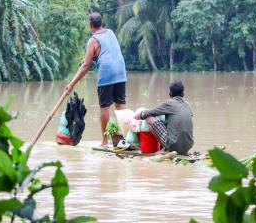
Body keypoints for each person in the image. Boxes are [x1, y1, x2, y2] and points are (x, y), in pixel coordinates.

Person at [65, 12, 127, 147]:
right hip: (121, 71)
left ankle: (104, 142)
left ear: (90, 25)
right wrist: (91, 57)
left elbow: (86, 66)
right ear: (101, 23)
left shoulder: (92, 40)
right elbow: (106, 52)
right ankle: (125, 139)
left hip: (107, 73)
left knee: (105, 108)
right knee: (120, 105)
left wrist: (71, 84)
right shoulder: (110, 32)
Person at [134, 82, 194, 155]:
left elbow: (150, 112)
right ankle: (178, 149)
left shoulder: (170, 103)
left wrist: (138, 115)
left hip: (173, 145)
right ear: (183, 94)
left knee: (149, 118)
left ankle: (166, 149)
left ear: (170, 94)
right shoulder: (188, 105)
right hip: (189, 145)